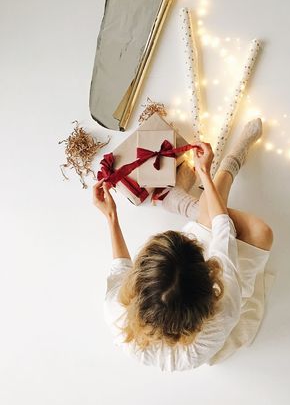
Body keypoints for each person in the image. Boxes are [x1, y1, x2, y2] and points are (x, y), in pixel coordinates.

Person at [93, 118, 273, 372]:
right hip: (215, 307)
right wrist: (205, 174)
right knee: (260, 232)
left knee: (214, 220)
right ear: (211, 276)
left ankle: (182, 201)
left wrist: (111, 217)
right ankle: (186, 200)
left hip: (190, 298)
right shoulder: (224, 310)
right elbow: (223, 228)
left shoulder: (115, 310)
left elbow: (118, 268)